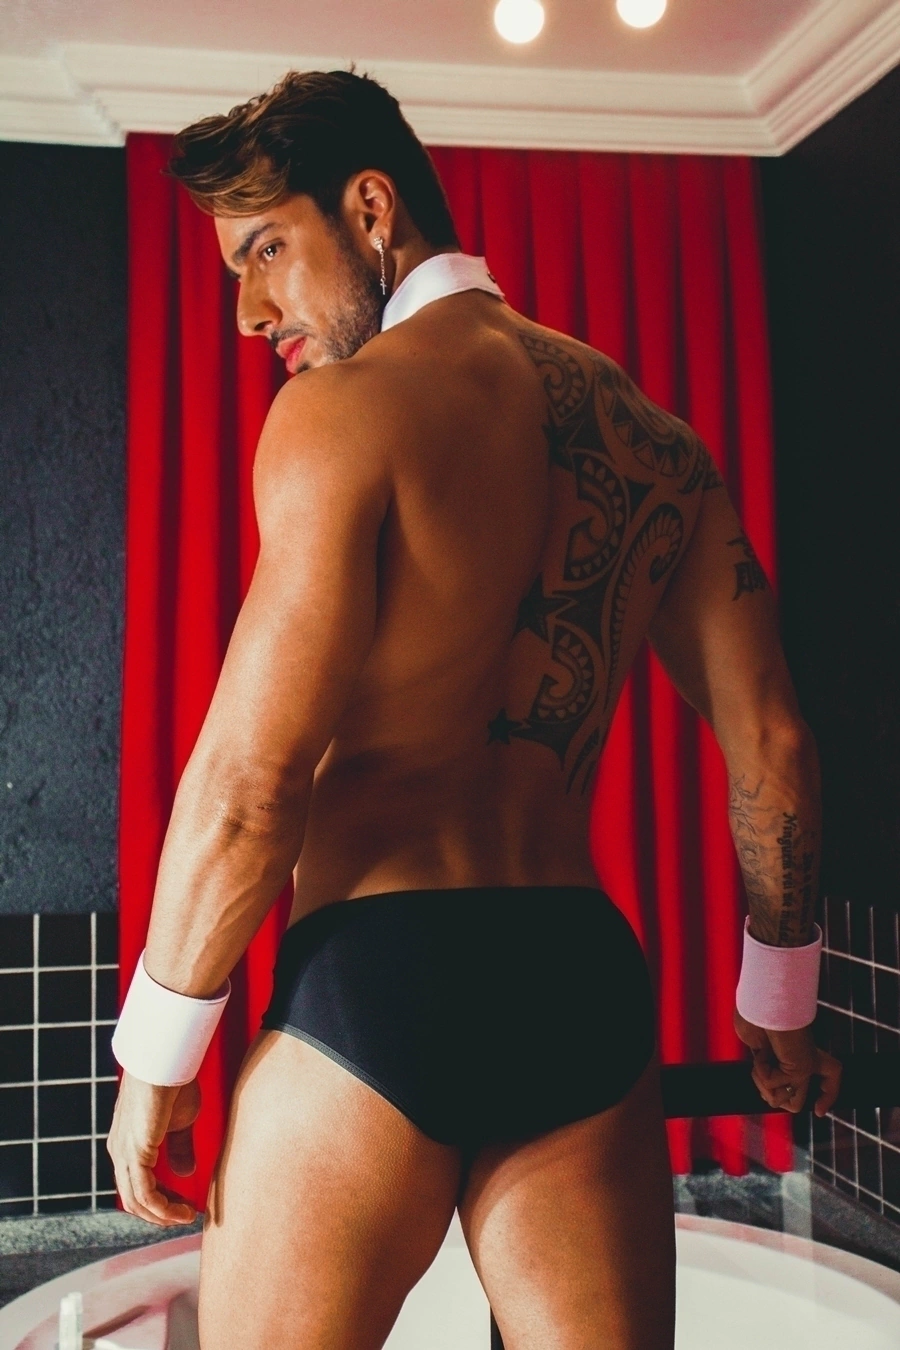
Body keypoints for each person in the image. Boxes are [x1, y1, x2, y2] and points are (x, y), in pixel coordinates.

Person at [107, 68, 841, 1350]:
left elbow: (249, 785)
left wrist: (160, 1056)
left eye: (266, 250)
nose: (249, 311)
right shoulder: (658, 445)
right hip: (578, 988)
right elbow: (772, 747)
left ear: (371, 207)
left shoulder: (343, 414)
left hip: (377, 986)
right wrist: (778, 1002)